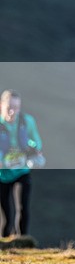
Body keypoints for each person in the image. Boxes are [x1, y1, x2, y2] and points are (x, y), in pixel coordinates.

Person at [0, 90, 43, 238]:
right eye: (9, 107)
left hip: (22, 171)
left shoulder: (27, 121)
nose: (12, 111)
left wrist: (35, 149)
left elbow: (36, 141)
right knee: (7, 215)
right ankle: (4, 245)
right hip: (2, 175)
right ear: (1, 106)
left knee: (23, 208)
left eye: (16, 107)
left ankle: (23, 241)